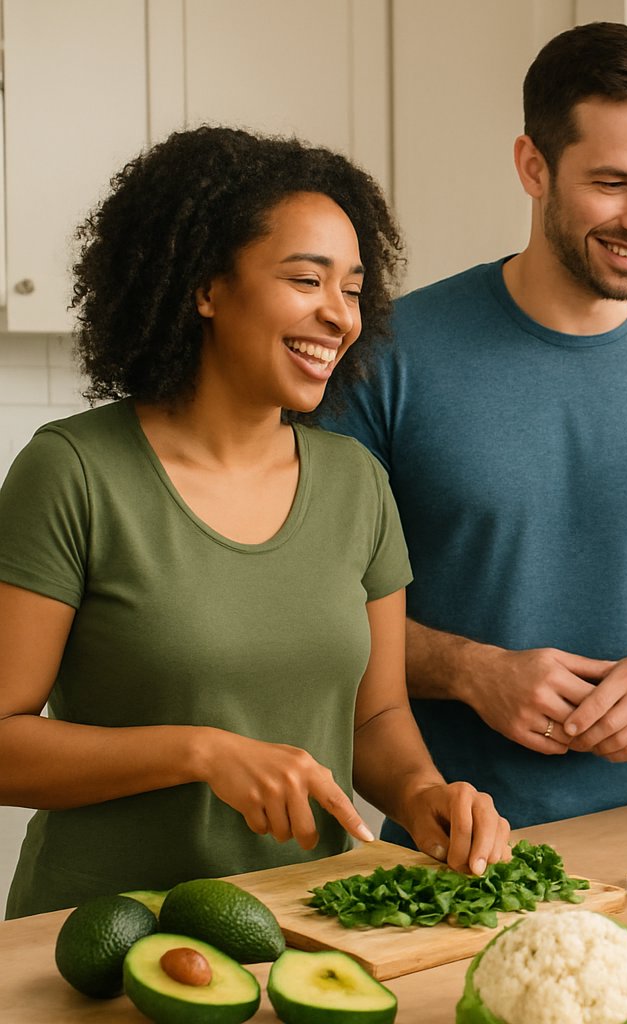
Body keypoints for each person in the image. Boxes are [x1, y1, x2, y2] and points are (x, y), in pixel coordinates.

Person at [0, 126, 511, 918]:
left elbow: (374, 715)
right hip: (103, 936)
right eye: (306, 279)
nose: (338, 315)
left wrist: (423, 795)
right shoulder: (74, 472)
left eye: (352, 288)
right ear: (205, 287)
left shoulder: (357, 484)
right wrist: (200, 752)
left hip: (314, 924)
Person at [321, 22, 627, 837]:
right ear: (533, 166)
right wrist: (470, 672)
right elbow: (321, 601)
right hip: (449, 845)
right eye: (612, 182)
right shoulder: (393, 355)